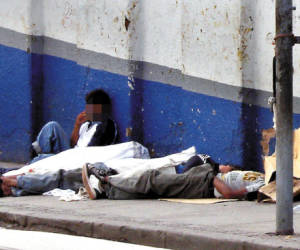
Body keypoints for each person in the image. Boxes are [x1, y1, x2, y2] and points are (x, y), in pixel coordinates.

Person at [0, 155, 264, 199]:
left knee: (145, 183)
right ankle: (104, 182)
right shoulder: (209, 170)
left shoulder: (212, 176)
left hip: (199, 181)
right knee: (144, 183)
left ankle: (103, 181)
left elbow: (229, 192)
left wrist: (214, 172)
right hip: (193, 178)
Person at [30, 89, 118, 163]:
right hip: (70, 154)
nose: (87, 110)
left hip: (78, 162)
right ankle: (36, 154)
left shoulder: (106, 125)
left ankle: (35, 163)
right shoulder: (86, 124)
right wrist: (77, 125)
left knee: (42, 160)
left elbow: (92, 152)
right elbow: (72, 144)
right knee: (52, 126)